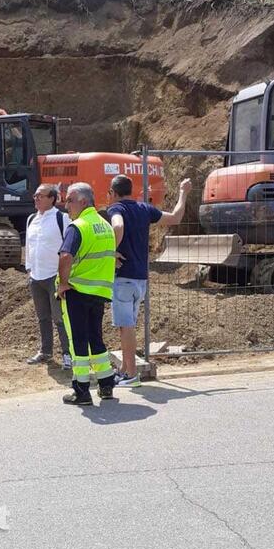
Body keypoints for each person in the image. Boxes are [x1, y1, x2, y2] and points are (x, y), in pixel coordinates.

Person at [108, 174, 192, 387]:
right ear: (132, 191)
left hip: (123, 278)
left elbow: (117, 227)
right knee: (127, 326)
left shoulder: (116, 209)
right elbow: (174, 218)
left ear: (114, 194)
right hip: (140, 279)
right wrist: (183, 193)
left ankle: (131, 375)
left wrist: (111, 252)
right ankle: (125, 369)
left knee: (126, 327)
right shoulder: (144, 209)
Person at [56, 182, 117, 405]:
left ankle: (81, 391)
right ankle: (106, 384)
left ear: (83, 202)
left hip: (78, 291)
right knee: (96, 338)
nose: (66, 205)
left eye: (69, 200)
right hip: (99, 292)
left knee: (78, 342)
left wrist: (63, 283)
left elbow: (65, 256)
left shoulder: (78, 226)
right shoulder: (105, 225)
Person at [24, 184, 72, 368]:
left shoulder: (62, 219)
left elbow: (69, 246)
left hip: (55, 276)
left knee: (60, 318)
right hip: (36, 276)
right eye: (35, 195)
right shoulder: (31, 220)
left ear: (52, 198)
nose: (36, 198)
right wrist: (29, 268)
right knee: (42, 316)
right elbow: (29, 246)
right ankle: (46, 351)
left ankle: (68, 354)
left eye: (40, 196)